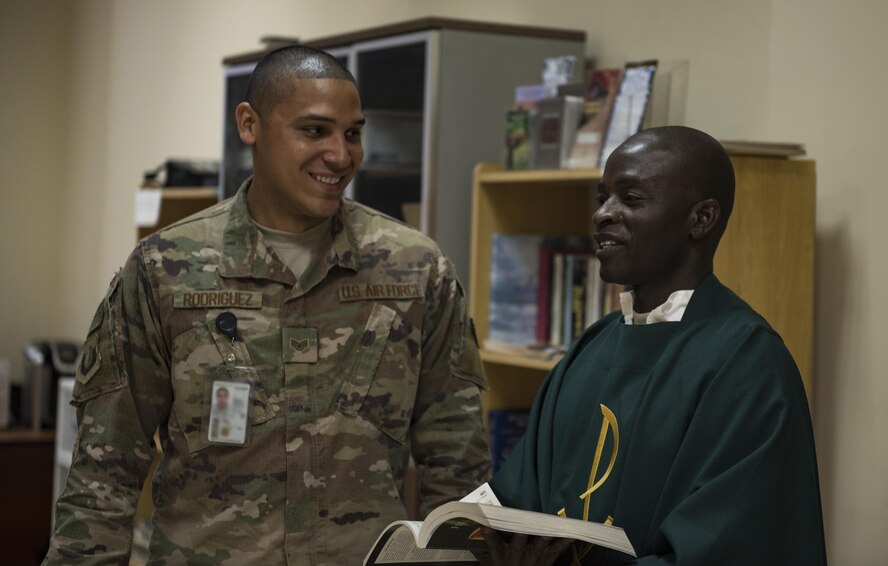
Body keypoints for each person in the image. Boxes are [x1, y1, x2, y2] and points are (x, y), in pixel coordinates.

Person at [44, 45, 491, 565]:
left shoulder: (414, 270)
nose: (341, 156)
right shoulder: (166, 268)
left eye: (352, 134)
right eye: (314, 131)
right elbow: (106, 469)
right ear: (250, 124)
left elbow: (457, 469)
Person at [479, 126, 826, 565]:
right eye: (602, 197)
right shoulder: (592, 347)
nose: (602, 214)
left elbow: (730, 548)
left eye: (631, 198)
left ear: (700, 219)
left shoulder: (747, 363)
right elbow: (514, 508)